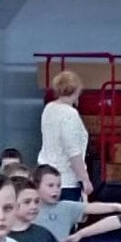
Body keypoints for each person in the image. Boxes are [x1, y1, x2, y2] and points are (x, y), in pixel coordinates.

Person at [37, 70, 93, 200]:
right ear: (77, 90)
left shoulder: (49, 108)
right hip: (65, 180)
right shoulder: (69, 114)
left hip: (45, 175)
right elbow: (73, 151)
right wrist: (85, 179)